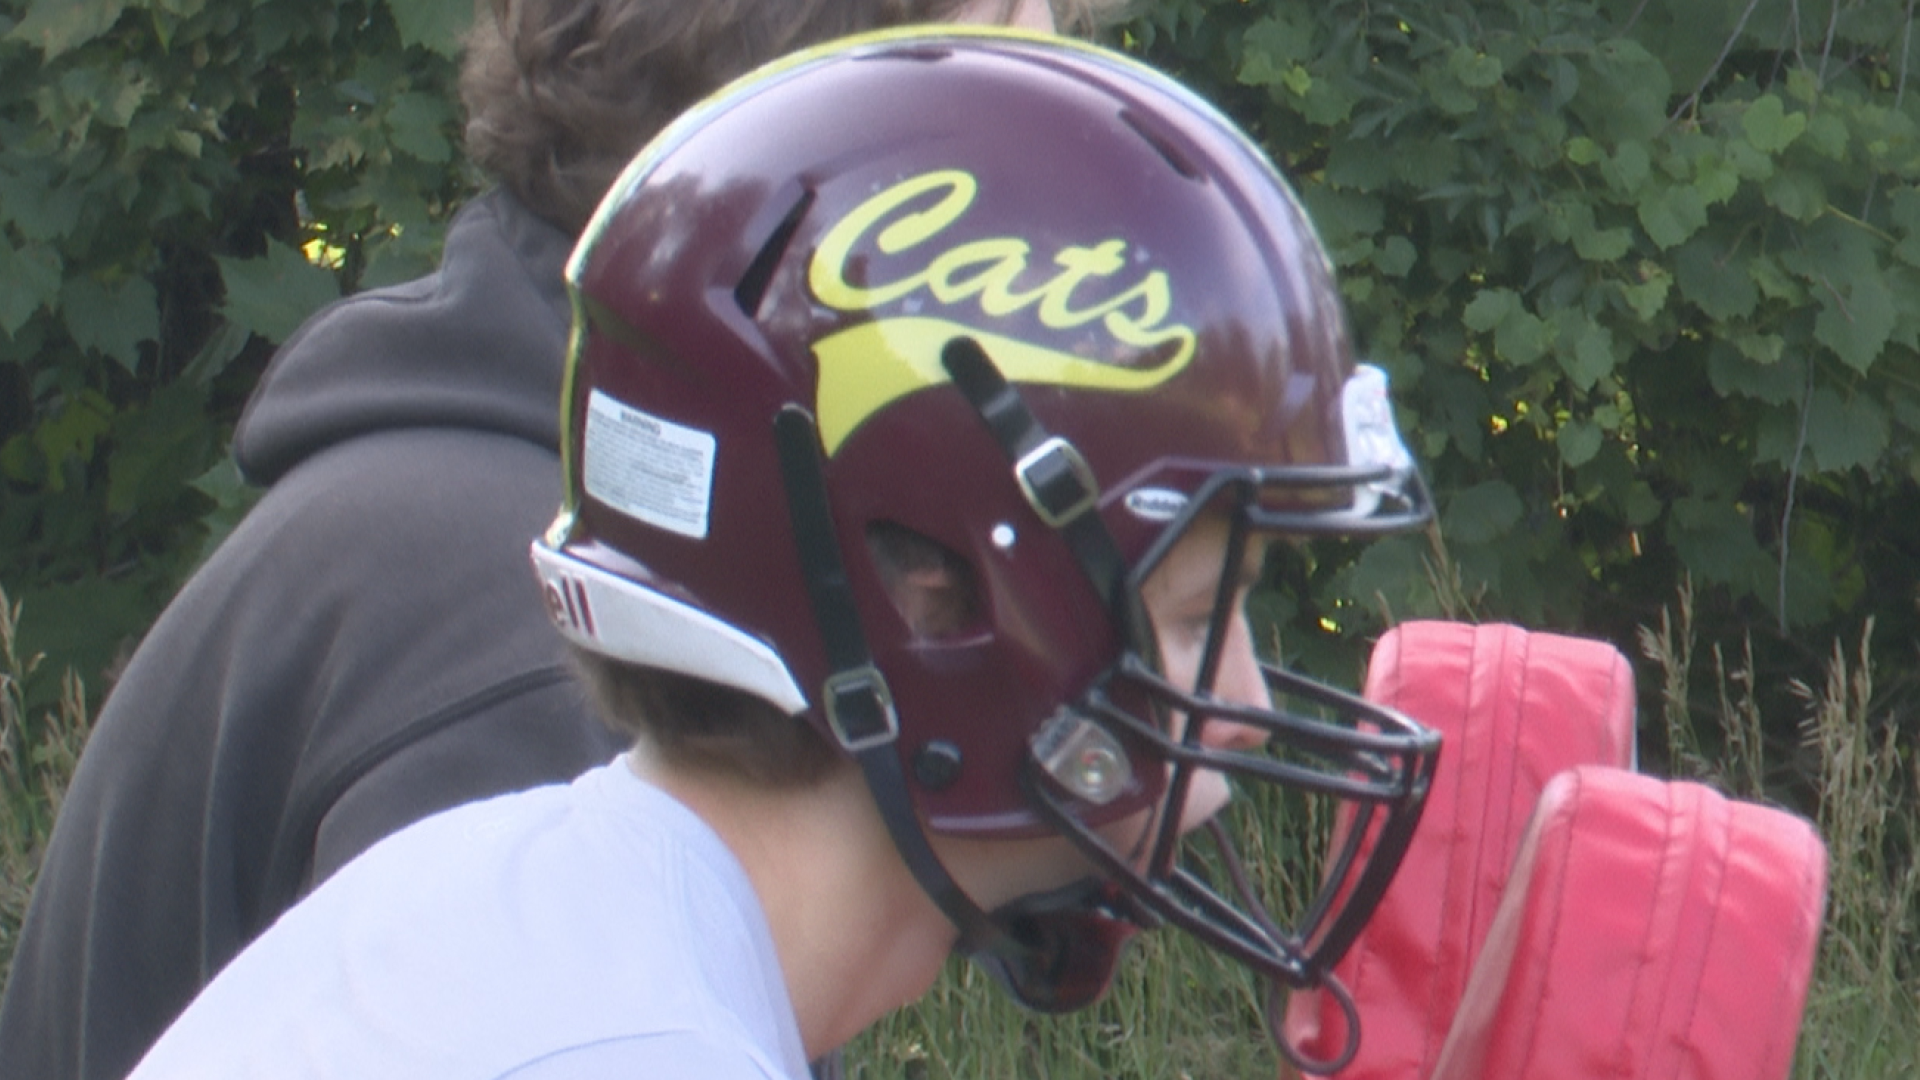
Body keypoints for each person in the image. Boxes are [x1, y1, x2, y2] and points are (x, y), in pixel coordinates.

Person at [121, 26, 1442, 1078]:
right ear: (934, 596)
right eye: (1199, 609)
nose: (1254, 713)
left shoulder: (512, 904)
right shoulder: (622, 1041)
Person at [0, 5, 1117, 1080]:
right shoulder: (565, 632)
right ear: (802, 169)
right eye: (1002, 118)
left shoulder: (466, 506)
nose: (1066, 225)